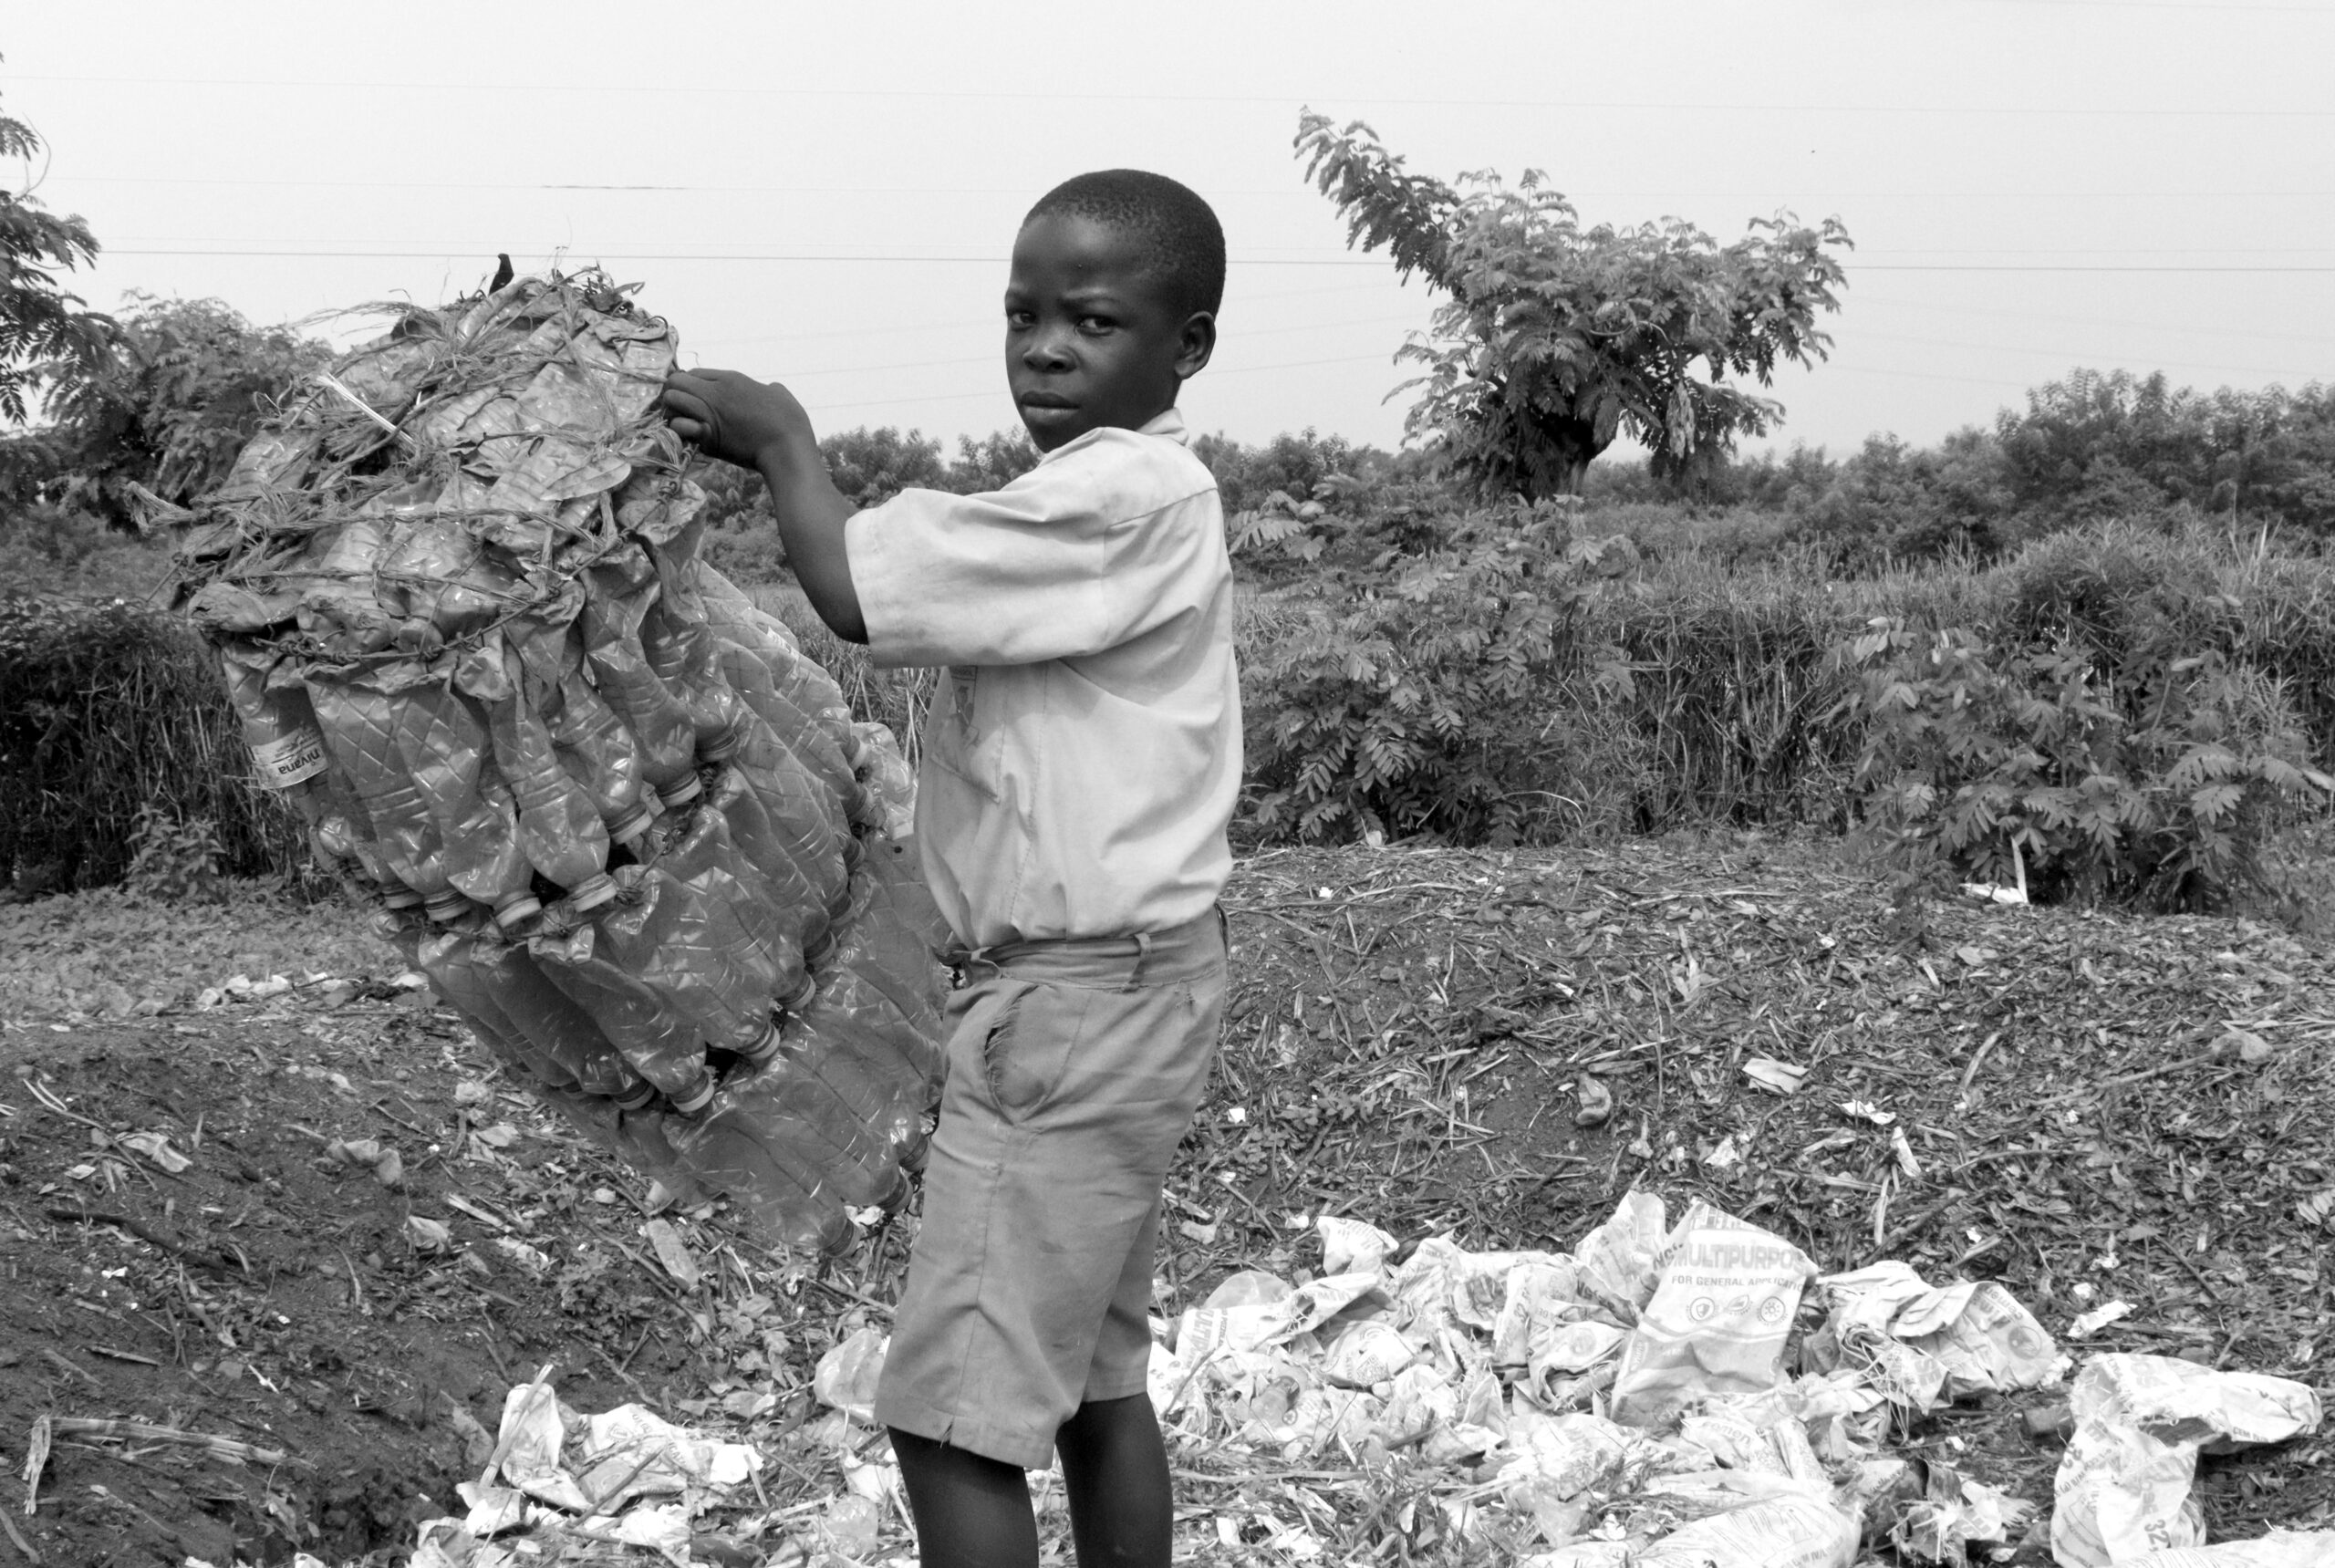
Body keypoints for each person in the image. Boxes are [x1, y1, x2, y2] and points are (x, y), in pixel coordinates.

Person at [660, 169, 1240, 1568]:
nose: (1045, 346)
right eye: (1023, 312)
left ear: (1189, 346)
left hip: (1072, 1010)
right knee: (1096, 1385)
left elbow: (858, 592)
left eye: (1093, 321)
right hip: (1128, 993)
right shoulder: (1106, 499)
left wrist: (784, 440)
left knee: (950, 1422)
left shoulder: (1119, 497)